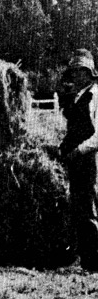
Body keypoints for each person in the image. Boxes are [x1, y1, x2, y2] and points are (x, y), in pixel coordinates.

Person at [59, 49, 98, 272]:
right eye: (73, 71)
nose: (75, 75)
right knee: (78, 208)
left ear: (88, 72)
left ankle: (94, 261)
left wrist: (79, 150)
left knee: (88, 207)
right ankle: (85, 258)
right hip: (75, 159)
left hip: (88, 158)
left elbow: (97, 135)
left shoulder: (95, 95)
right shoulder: (77, 96)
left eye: (79, 71)